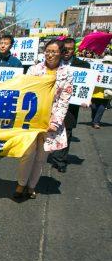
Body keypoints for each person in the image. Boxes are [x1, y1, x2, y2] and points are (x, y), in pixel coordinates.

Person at [15, 39, 72, 199]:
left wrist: (55, 123)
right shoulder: (34, 69)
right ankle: (21, 184)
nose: (50, 55)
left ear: (61, 53)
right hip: (31, 118)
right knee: (28, 153)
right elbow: (24, 91)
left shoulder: (66, 73)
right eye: (47, 51)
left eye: (54, 52)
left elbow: (63, 100)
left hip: (51, 122)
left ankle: (32, 186)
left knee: (41, 156)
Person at [49, 38, 90, 172]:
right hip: (53, 104)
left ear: (74, 49)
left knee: (67, 132)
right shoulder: (53, 64)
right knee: (52, 129)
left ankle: (60, 161)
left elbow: (87, 88)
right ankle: (52, 153)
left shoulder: (83, 66)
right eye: (64, 49)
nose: (67, 51)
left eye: (70, 49)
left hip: (71, 107)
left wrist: (86, 99)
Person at [90, 55, 112, 129]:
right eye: (106, 61)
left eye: (109, 62)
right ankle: (94, 120)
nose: (107, 63)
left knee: (101, 109)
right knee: (93, 108)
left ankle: (96, 122)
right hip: (95, 93)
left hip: (106, 94)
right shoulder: (96, 69)